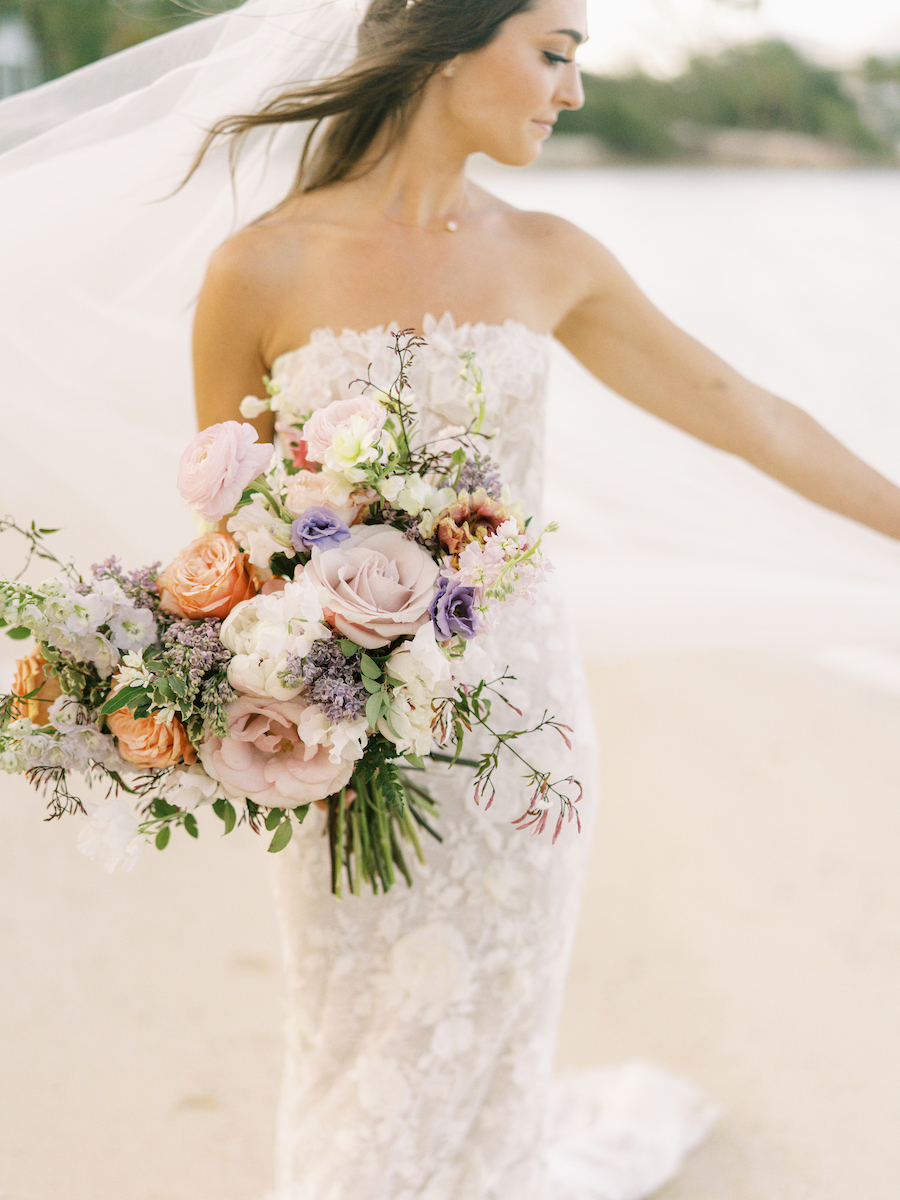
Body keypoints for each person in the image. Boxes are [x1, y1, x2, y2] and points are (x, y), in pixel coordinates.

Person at [2, 1, 900, 1197]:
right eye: (556, 53)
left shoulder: (554, 257)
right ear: (441, 35)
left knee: (500, 1033)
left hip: (525, 725)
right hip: (334, 736)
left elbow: (752, 414)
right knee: (355, 1034)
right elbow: (233, 541)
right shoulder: (258, 267)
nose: (571, 92)